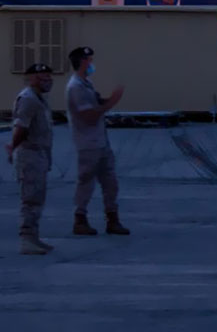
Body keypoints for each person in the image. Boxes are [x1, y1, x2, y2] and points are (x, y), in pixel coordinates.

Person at [66, 47, 129, 236]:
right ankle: (80, 219)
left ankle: (112, 218)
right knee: (86, 182)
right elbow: (89, 116)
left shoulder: (86, 83)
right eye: (88, 60)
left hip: (100, 141)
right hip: (87, 143)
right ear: (81, 62)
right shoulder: (75, 87)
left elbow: (98, 103)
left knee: (110, 182)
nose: (91, 63)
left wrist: (109, 99)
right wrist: (112, 103)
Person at [6, 64, 55, 255]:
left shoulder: (39, 99)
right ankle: (27, 238)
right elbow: (22, 128)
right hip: (30, 155)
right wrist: (12, 146)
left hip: (40, 154)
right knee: (31, 199)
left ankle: (34, 237)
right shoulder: (28, 99)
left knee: (37, 197)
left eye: (49, 76)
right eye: (43, 76)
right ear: (31, 78)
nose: (48, 80)